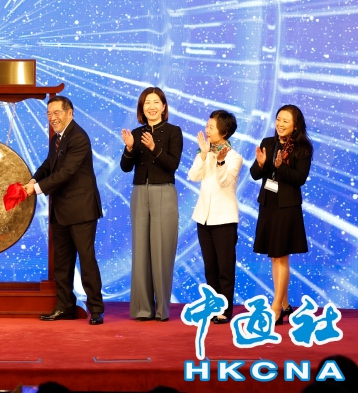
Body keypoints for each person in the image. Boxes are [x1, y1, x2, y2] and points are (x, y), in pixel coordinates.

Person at [24, 96, 105, 325]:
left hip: (81, 209)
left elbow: (66, 172)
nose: (52, 118)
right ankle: (65, 307)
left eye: (57, 113)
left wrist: (36, 189)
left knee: (86, 261)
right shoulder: (57, 138)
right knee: (62, 263)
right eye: (49, 114)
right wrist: (33, 179)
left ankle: (96, 309)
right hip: (60, 209)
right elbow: (49, 165)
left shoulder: (78, 137)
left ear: (70, 113)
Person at [119, 86, 182, 322]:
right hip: (139, 192)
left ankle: (162, 309)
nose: (151, 107)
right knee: (141, 251)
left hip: (164, 191)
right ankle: (142, 309)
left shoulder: (173, 132)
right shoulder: (136, 133)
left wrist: (154, 148)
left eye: (156, 102)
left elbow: (172, 164)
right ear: (141, 108)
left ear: (164, 107)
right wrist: (129, 148)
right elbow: (126, 167)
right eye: (147, 103)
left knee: (162, 250)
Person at [250, 105, 313, 324]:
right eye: (278, 119)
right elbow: (254, 174)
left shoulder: (303, 148)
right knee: (274, 256)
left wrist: (280, 167)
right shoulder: (268, 143)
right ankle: (285, 305)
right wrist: (261, 164)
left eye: (286, 121)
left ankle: (276, 307)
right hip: (268, 204)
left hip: (287, 207)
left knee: (281, 256)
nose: (280, 124)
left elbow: (300, 178)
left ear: (295, 125)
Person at [188, 110, 242, 324]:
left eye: (211, 127)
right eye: (207, 126)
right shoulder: (205, 152)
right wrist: (203, 155)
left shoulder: (234, 157)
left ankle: (225, 310)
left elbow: (225, 182)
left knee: (225, 268)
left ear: (224, 132)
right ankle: (214, 305)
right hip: (204, 217)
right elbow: (193, 176)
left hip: (224, 219)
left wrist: (219, 163)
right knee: (210, 268)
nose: (207, 130)